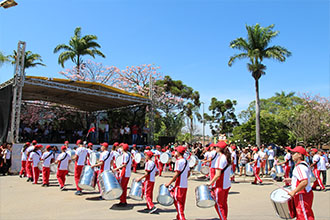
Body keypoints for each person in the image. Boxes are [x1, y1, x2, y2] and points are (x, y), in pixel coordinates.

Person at [284, 146, 315, 220]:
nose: (292, 155)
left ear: (300, 155)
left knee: (304, 216)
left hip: (302, 194)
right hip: (305, 193)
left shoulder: (299, 167)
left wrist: (293, 192)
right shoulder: (304, 164)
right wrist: (292, 180)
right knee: (302, 215)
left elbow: (304, 181)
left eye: (294, 153)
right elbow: (304, 178)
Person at [165, 146, 190, 220]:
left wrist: (169, 183)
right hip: (185, 185)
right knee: (182, 202)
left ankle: (181, 217)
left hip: (179, 185)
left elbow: (176, 174)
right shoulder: (186, 161)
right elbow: (188, 173)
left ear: (178, 152)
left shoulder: (178, 161)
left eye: (176, 151)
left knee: (178, 202)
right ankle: (179, 216)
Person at [208, 141, 231, 220]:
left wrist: (210, 183)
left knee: (218, 205)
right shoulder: (227, 157)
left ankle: (223, 218)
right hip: (227, 184)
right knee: (224, 204)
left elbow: (217, 174)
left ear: (220, 149)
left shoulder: (220, 158)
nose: (215, 148)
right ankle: (224, 217)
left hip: (220, 185)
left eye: (216, 147)